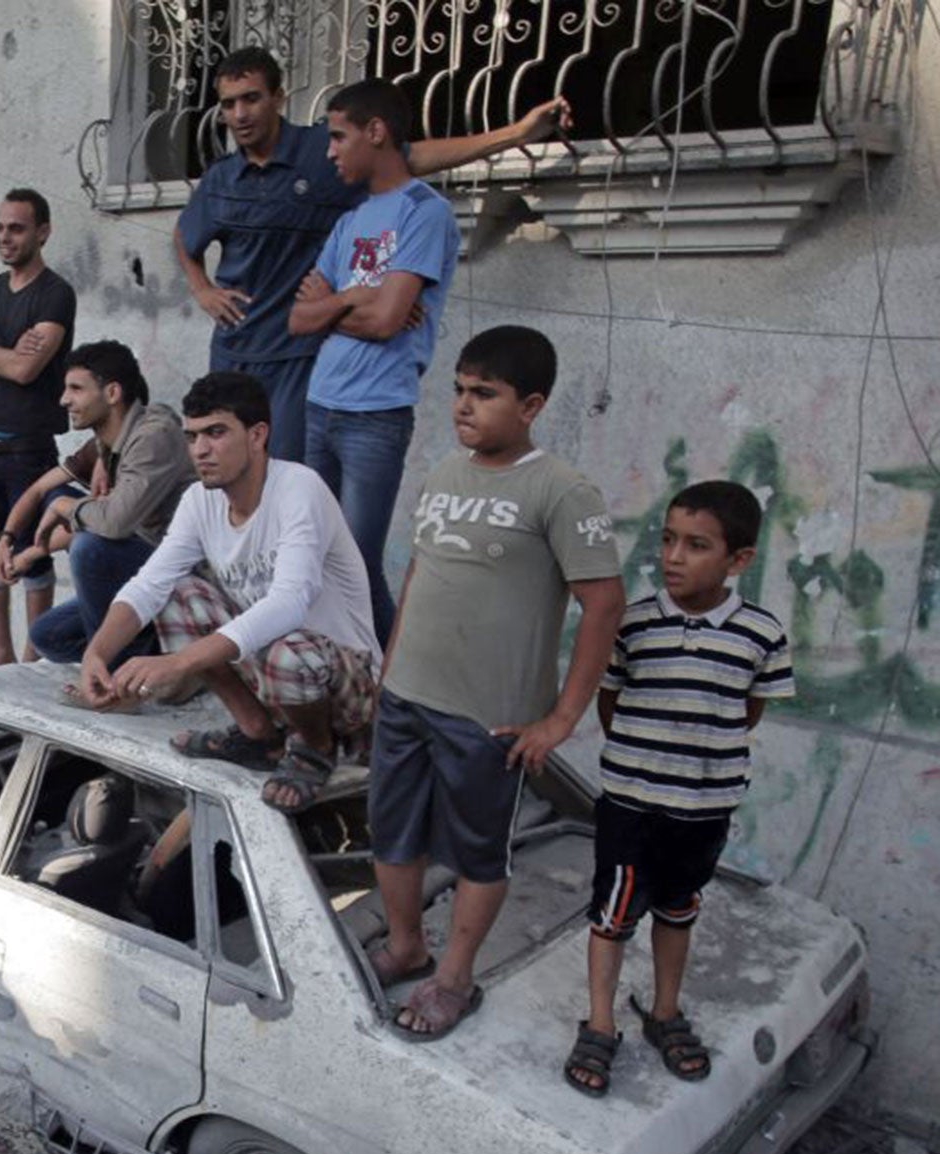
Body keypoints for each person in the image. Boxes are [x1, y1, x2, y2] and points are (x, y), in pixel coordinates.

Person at [370, 325, 625, 1040]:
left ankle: (453, 978)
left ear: (532, 405)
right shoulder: (446, 474)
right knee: (390, 834)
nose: (463, 406)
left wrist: (560, 720)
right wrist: (389, 671)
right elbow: (419, 574)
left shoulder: (562, 490)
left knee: (477, 851)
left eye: (484, 394)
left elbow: (604, 604)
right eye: (458, 390)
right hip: (406, 700)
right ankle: (404, 945)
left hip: (490, 719)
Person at [176, 47, 566, 464]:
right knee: (225, 476)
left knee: (285, 476)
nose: (240, 115)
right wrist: (201, 289)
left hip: (298, 356)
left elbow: (409, 158)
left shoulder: (322, 152)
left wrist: (517, 135)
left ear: (278, 97)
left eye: (251, 98)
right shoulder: (221, 178)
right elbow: (185, 237)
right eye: (228, 104)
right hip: (234, 353)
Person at [568, 482, 794, 1096]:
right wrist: (647, 761)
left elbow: (747, 712)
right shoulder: (634, 624)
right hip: (632, 807)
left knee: (678, 909)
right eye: (668, 540)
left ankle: (664, 1011)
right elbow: (610, 700)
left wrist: (695, 763)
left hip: (703, 811)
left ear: (738, 560)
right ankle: (600, 1022)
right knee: (612, 917)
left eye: (696, 546)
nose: (673, 556)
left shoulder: (760, 634)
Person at [78, 370, 380, 814]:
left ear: (257, 435)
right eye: (193, 436)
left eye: (216, 433)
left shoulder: (299, 488)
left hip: (346, 682)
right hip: (275, 679)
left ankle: (315, 749)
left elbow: (290, 603)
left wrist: (177, 664)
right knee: (179, 593)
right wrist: (96, 654)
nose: (200, 450)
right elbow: (150, 583)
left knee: (287, 649)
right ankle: (258, 734)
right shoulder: (200, 501)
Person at [287, 79, 461, 646]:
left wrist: (333, 306)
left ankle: (391, 700)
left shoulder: (423, 212)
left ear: (376, 131)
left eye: (339, 136)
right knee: (313, 559)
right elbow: (297, 320)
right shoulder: (350, 220)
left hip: (375, 415)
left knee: (354, 566)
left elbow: (387, 322)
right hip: (322, 405)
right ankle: (338, 695)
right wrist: (351, 300)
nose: (330, 151)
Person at [0, 340, 193, 666]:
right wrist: (24, 546)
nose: (64, 400)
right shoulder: (108, 440)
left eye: (76, 389)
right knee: (47, 635)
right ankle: (150, 658)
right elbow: (50, 497)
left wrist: (64, 510)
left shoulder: (153, 436)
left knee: (90, 546)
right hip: (143, 562)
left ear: (112, 393)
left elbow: (114, 523)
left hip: (182, 576)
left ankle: (113, 674)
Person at [0, 188, 78, 667]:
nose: (5, 237)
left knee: (34, 550)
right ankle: (0, 653)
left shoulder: (55, 293)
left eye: (17, 228)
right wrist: (1, 353)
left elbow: (27, 372)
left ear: (42, 232)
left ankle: (32, 655)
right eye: (0, 227)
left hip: (30, 447)